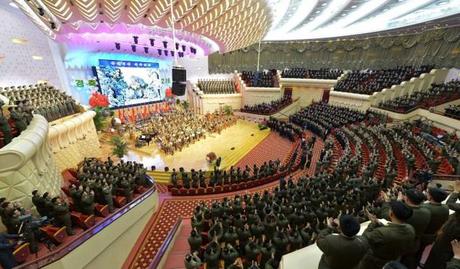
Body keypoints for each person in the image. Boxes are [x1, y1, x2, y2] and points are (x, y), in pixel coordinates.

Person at [358, 201, 416, 269]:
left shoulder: (381, 233)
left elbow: (364, 237)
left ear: (391, 214)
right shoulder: (410, 229)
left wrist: (372, 223)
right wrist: (378, 223)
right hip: (393, 258)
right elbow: (392, 231)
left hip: (375, 263)